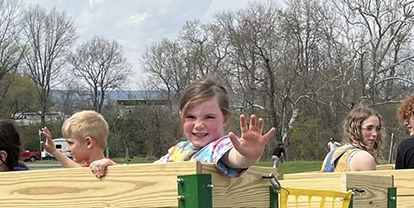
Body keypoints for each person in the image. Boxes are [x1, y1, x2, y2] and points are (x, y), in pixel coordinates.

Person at [90, 80, 274, 178]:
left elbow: (235, 158)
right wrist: (115, 168)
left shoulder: (222, 145)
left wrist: (249, 155)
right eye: (191, 117)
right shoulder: (178, 151)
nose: (198, 125)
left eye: (209, 117)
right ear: (181, 117)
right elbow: (149, 174)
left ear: (225, 119)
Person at [322, 106, 382, 172]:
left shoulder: (331, 155)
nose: (375, 134)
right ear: (355, 129)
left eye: (378, 129)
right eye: (369, 128)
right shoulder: (364, 158)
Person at [41, 111, 110, 169]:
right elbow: (76, 169)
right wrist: (53, 151)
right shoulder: (87, 167)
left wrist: (112, 165)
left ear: (89, 143)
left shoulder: (108, 167)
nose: (67, 149)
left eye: (71, 143)